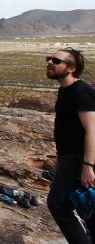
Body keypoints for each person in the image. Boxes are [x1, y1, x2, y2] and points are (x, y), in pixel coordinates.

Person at [45, 47, 95, 243]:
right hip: (69, 156)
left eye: (56, 61)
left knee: (57, 203)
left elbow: (92, 129)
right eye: (49, 58)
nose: (50, 62)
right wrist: (59, 155)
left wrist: (88, 166)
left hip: (79, 158)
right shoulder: (65, 90)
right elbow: (67, 128)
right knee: (85, 203)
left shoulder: (81, 91)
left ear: (71, 68)